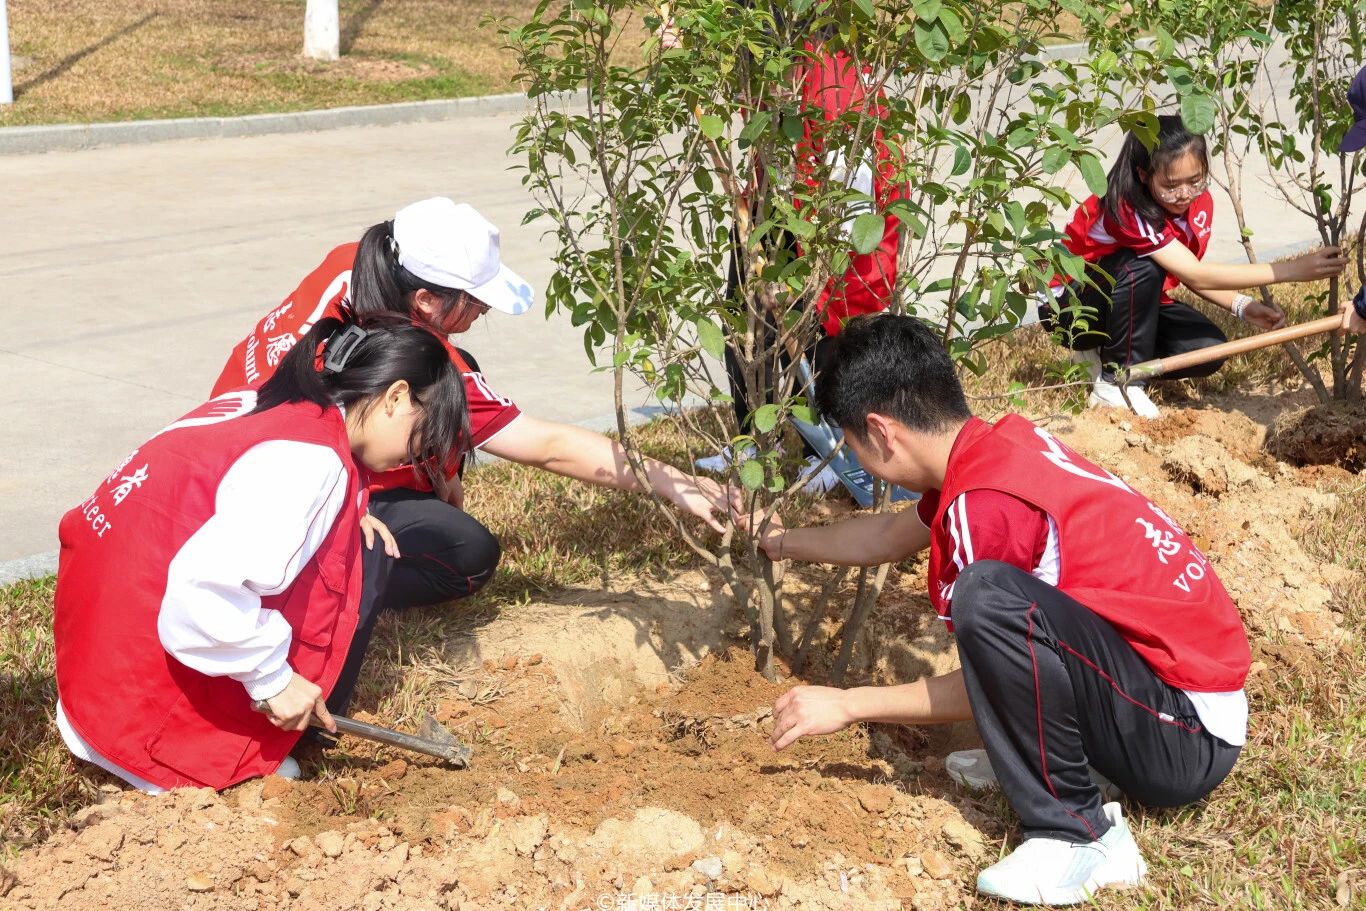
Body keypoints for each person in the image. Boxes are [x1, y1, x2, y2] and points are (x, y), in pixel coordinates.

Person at [748, 314, 1251, 905]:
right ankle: (1052, 761)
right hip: (1181, 701)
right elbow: (885, 537)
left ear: (882, 433)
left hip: (1184, 739)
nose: (859, 459)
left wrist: (849, 705)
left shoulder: (982, 507)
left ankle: (1079, 836)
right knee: (1001, 601)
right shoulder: (998, 448)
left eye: (854, 445)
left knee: (985, 596)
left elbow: (988, 674)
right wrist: (780, 541)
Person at [212, 198, 729, 713]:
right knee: (463, 553)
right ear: (425, 302)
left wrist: (441, 463)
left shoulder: (354, 262)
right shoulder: (436, 369)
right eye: (476, 303)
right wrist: (673, 483)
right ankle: (319, 618)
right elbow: (550, 448)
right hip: (270, 496)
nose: (482, 314)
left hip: (221, 448)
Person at [54, 313, 468, 792]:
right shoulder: (308, 462)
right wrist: (272, 680)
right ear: (395, 397)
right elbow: (201, 590)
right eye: (426, 434)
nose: (420, 457)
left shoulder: (274, 402)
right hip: (134, 710)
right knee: (281, 776)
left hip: (94, 662)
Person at [1043, 114, 1346, 417]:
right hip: (1069, 308)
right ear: (1144, 175)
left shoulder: (1198, 206)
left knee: (1206, 350)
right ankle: (1117, 383)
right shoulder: (1125, 208)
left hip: (1127, 300)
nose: (1184, 194)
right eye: (1171, 185)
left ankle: (1105, 353)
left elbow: (1189, 272)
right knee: (1140, 266)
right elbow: (1194, 273)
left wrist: (1243, 306)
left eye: (1195, 180)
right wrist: (1292, 270)